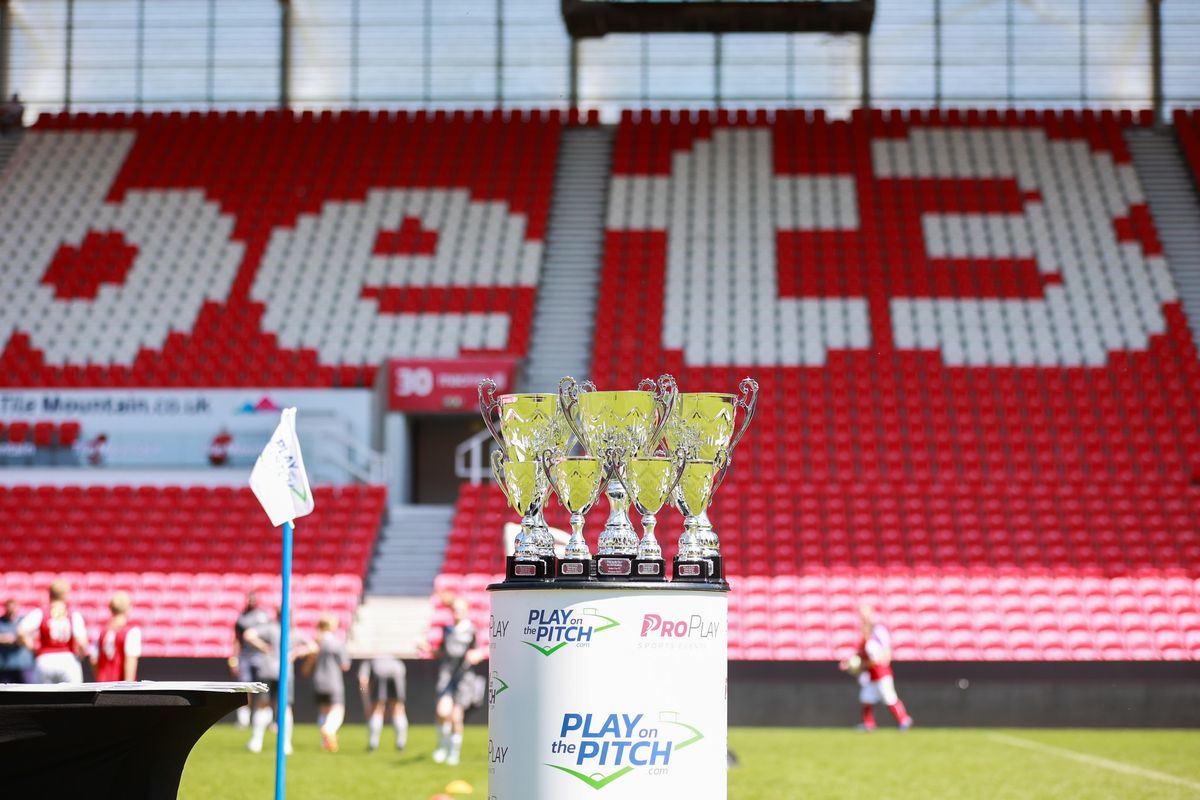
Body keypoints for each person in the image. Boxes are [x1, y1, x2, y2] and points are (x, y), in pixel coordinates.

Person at [423, 595, 485, 766]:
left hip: (464, 678)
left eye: (460, 609)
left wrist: (477, 655)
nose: (457, 612)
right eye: (454, 609)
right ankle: (442, 746)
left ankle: (454, 752)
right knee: (443, 712)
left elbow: (479, 651)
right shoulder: (447, 630)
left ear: (466, 611)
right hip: (447, 676)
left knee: (456, 717)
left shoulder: (471, 631)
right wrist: (428, 649)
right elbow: (441, 652)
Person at [242, 608, 313, 755]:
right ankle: (284, 744)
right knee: (284, 708)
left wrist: (262, 647)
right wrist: (297, 653)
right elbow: (313, 646)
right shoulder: (288, 631)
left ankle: (257, 741)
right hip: (282, 673)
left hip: (269, 671)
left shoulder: (275, 629)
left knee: (264, 705)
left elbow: (248, 635)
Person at [840, 604, 913, 731]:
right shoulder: (865, 641)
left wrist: (862, 666)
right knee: (866, 697)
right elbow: (860, 656)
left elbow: (877, 658)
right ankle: (869, 724)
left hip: (881, 674)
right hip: (873, 676)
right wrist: (849, 664)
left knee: (889, 697)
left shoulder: (873, 640)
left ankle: (904, 720)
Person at [17, 579, 88, 683]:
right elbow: (82, 643)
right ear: (66, 595)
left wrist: (32, 648)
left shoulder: (40, 612)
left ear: (50, 594)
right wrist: (80, 657)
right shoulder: (73, 615)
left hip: (45, 660)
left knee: (43, 699)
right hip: (67, 660)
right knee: (73, 698)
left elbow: (21, 631)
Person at [303, 614, 350, 753]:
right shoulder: (336, 643)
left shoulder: (315, 643)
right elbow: (345, 665)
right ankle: (328, 730)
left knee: (323, 710)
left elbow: (308, 665)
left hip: (317, 681)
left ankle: (326, 743)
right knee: (337, 710)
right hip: (333, 681)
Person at [229, 591, 271, 727]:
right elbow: (236, 640)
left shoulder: (263, 616)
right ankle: (244, 719)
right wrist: (234, 659)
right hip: (245, 656)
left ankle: (265, 718)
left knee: (264, 687)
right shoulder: (242, 617)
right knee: (244, 687)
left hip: (262, 655)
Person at [358, 655, 409, 753]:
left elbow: (363, 682)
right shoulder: (393, 659)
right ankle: (401, 743)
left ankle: (373, 744)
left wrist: (366, 702)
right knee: (398, 707)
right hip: (398, 669)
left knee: (378, 707)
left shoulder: (366, 662)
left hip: (380, 671)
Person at [91, 591, 141, 682]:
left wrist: (100, 676)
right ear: (128, 609)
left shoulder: (100, 632)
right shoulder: (131, 633)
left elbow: (93, 659)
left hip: (103, 684)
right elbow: (130, 661)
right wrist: (129, 685)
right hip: (120, 686)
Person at [0, 599, 34, 683]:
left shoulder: (25, 621)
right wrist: (3, 639)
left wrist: (19, 638)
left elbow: (33, 636)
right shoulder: (1, 622)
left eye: (14, 607)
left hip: (23, 664)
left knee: (28, 691)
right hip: (5, 665)